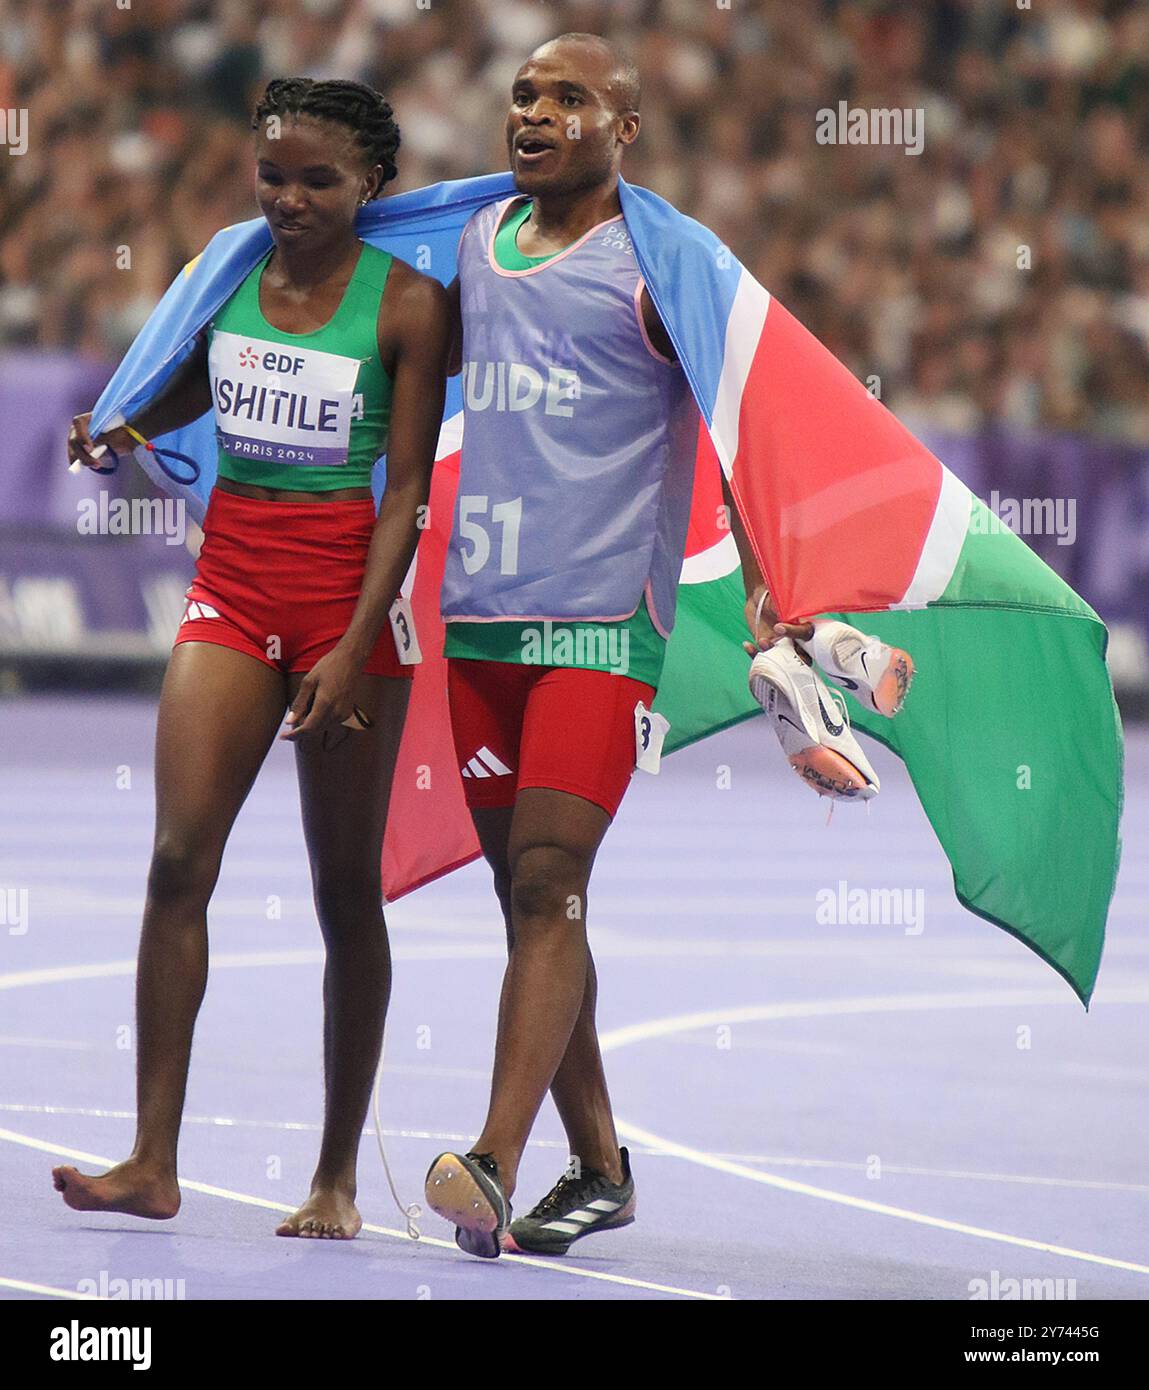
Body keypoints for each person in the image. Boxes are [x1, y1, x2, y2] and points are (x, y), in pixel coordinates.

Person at [422, 33, 911, 1259]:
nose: (535, 113)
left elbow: (748, 423)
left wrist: (771, 587)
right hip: (480, 623)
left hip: (597, 627)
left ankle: (492, 1158)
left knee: (546, 883)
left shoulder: (660, 267)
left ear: (624, 129)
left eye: (568, 98)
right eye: (524, 93)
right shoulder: (468, 244)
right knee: (536, 902)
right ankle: (600, 1166)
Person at [52, 77, 450, 1240]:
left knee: (342, 895)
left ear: (370, 183)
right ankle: (152, 1159)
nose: (288, 198)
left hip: (349, 606)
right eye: (272, 175)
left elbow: (408, 491)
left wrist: (355, 639)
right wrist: (127, 421)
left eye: (316, 180)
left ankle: (333, 1176)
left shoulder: (410, 305)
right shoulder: (230, 273)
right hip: (231, 589)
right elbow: (201, 381)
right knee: (177, 858)